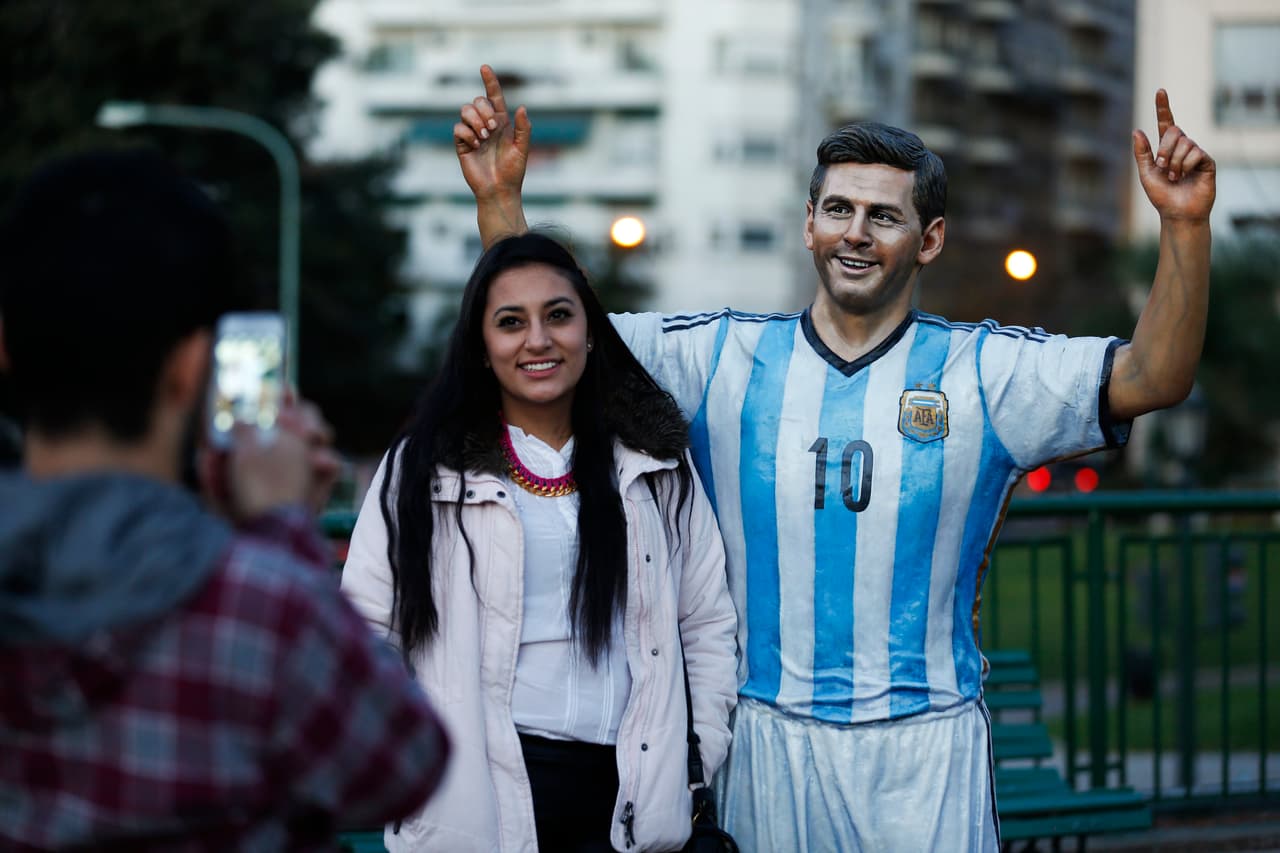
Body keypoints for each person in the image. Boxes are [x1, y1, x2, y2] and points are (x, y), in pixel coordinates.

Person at [453, 66, 1215, 851]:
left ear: (930, 239)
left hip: (927, 747)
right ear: (809, 222)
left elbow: (1154, 376)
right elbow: (559, 337)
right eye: (840, 209)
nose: (857, 231)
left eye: (884, 216)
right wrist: (499, 204)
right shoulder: (717, 357)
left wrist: (1185, 227)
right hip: (764, 738)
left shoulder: (988, 372)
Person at [0, 149, 451, 851]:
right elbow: (404, 762)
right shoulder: (261, 609)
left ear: (6, 345)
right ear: (190, 368)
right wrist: (279, 529)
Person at [340, 232, 738, 853]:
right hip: (478, 795)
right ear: (481, 345)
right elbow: (364, 633)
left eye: (558, 316)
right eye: (510, 322)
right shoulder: (422, 469)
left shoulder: (654, 465)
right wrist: (414, 770)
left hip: (631, 798)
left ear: (589, 330)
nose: (538, 340)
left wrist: (692, 766)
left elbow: (706, 622)